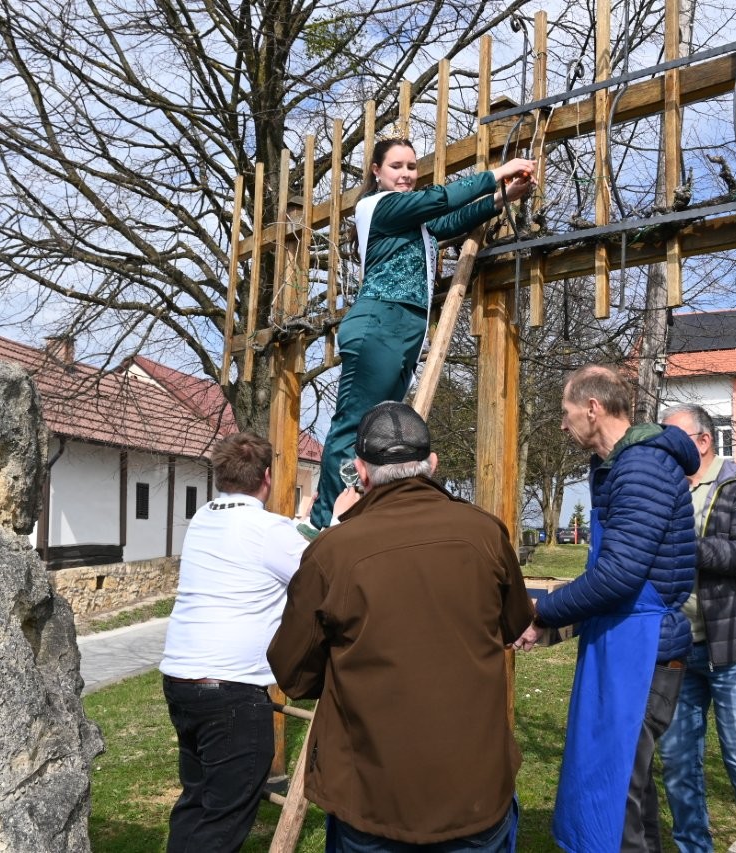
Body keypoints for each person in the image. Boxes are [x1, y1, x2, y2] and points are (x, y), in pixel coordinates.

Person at [269, 401, 535, 852]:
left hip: (373, 795)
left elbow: (293, 672)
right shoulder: (486, 533)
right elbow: (514, 624)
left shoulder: (332, 552)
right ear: (431, 463)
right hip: (473, 790)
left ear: (361, 471)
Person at [304, 139, 535, 535]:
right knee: (355, 423)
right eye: (396, 166)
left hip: (402, 329)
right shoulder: (378, 206)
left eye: (412, 167)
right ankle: (324, 521)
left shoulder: (411, 223)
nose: (406, 174)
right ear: (376, 171)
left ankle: (360, 512)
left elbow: (448, 222)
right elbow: (439, 200)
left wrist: (502, 197)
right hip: (379, 322)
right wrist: (497, 173)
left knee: (377, 428)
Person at [515, 365, 699, 853]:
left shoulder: (641, 468)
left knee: (617, 799)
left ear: (593, 408)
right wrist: (550, 625)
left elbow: (619, 576)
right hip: (620, 643)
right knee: (628, 791)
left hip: (643, 652)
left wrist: (544, 612)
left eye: (566, 412)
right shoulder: (620, 466)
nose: (562, 424)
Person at [159, 432, 317, 853]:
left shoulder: (202, 519)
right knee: (223, 819)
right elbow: (322, 573)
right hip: (231, 692)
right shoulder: (270, 531)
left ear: (219, 477)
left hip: (181, 682)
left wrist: (299, 526)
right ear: (266, 477)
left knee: (196, 802)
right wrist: (335, 522)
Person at [655, 404, 736, 852]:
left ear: (703, 441)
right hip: (677, 648)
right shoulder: (665, 487)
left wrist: (687, 547)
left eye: (672, 440)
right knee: (678, 764)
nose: (664, 450)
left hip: (734, 648)